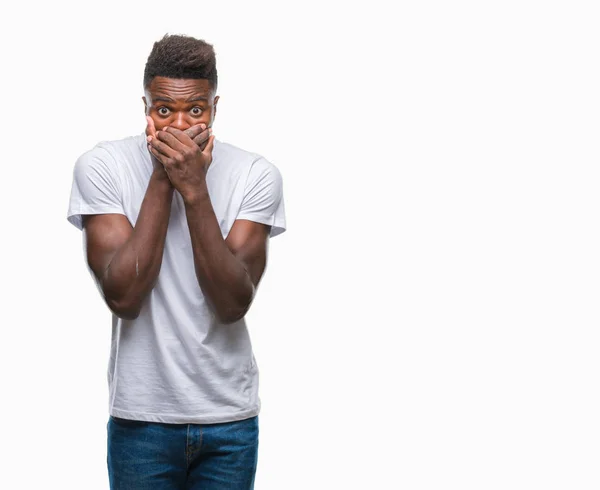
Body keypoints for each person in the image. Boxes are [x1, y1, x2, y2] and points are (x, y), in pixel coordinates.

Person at [66, 34, 286, 489]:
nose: (180, 126)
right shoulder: (101, 166)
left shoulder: (255, 174)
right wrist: (164, 178)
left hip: (228, 420)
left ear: (215, 106)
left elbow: (231, 303)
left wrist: (195, 188)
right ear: (145, 104)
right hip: (142, 418)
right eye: (164, 110)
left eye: (196, 111)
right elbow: (124, 296)